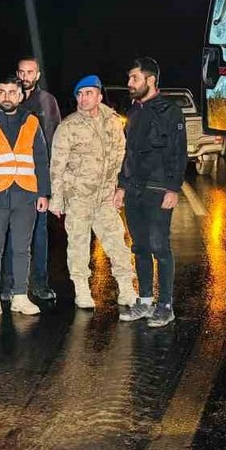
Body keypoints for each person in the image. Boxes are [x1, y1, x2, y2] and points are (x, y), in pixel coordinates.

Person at [50, 75, 136, 309]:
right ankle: (82, 289)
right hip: (79, 196)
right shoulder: (68, 126)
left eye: (88, 93)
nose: (83, 98)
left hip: (105, 195)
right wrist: (57, 198)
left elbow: (121, 154)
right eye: (79, 94)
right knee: (78, 244)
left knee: (117, 242)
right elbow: (57, 165)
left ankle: (127, 288)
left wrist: (120, 188)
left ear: (99, 95)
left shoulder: (113, 122)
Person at [0, 77, 51, 321]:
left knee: (22, 249)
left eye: (12, 92)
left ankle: (19, 297)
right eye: (2, 92)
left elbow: (41, 159)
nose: (7, 97)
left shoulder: (32, 122)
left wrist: (43, 193)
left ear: (20, 96)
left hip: (25, 194)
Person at [115, 57, 186, 327]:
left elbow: (179, 152)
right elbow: (129, 153)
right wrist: (122, 186)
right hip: (134, 189)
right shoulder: (134, 111)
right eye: (130, 78)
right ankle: (144, 302)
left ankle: (165, 306)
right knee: (141, 246)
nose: (129, 83)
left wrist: (173, 188)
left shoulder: (170, 111)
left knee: (159, 246)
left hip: (158, 189)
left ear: (150, 80)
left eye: (134, 78)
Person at [7, 56, 61, 302]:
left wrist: (49, 188)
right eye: (22, 72)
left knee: (39, 235)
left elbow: (55, 145)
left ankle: (40, 283)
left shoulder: (47, 102)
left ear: (37, 75)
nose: (25, 77)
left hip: (37, 182)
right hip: (10, 182)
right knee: (9, 235)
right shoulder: (7, 99)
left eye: (30, 72)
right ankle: (8, 284)